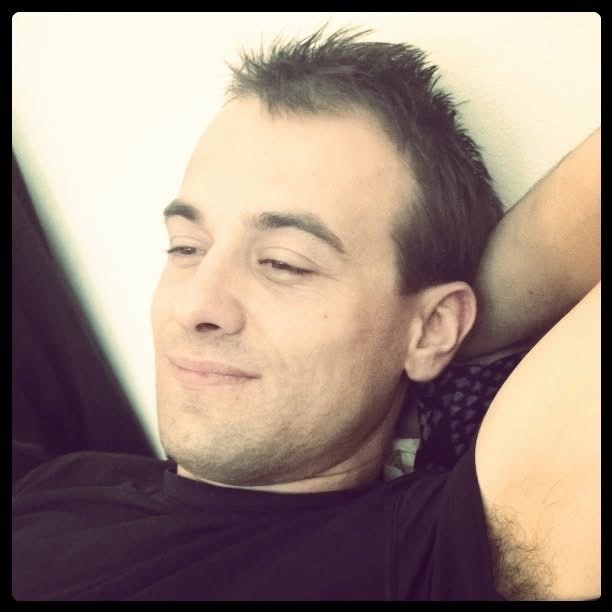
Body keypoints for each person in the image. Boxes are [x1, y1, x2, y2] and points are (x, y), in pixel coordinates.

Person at [12, 27, 600, 601]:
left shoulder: (422, 558)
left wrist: (433, 340)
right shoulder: (63, 483)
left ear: (433, 326)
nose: (195, 307)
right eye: (186, 248)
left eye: (283, 263)